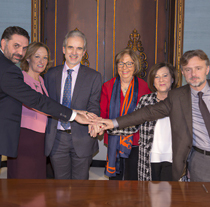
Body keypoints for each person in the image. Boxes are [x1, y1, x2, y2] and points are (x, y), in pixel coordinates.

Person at [98, 49, 210, 182]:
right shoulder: (178, 97)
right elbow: (145, 114)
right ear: (183, 72)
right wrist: (111, 123)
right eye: (188, 69)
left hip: (179, 157)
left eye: (198, 68)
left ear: (207, 69)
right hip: (198, 158)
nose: (193, 74)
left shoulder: (176, 95)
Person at [0, 26, 95, 167]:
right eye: (16, 46)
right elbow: (37, 100)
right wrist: (73, 115)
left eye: (24, 48)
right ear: (3, 43)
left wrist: (76, 112)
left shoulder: (42, 79)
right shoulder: (8, 70)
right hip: (24, 139)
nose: (20, 52)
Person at [44, 30, 102, 180]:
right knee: (60, 188)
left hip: (83, 138)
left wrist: (94, 122)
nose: (74, 52)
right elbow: (46, 104)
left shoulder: (94, 77)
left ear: (84, 52)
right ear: (64, 50)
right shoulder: (50, 74)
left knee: (80, 189)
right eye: (70, 47)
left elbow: (94, 106)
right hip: (57, 139)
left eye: (79, 48)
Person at [108, 62, 178, 181]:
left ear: (172, 79)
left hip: (174, 158)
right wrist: (108, 126)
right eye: (156, 76)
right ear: (153, 82)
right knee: (150, 196)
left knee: (171, 197)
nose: (161, 80)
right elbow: (133, 125)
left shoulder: (180, 100)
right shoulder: (146, 100)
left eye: (165, 75)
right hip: (150, 157)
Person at [100, 48, 150, 180]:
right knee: (115, 181)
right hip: (114, 140)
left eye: (129, 63)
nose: (124, 67)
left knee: (132, 178)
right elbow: (103, 112)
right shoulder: (108, 86)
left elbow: (147, 114)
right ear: (117, 66)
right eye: (121, 63)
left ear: (135, 66)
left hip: (135, 139)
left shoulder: (143, 86)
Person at [7, 42, 53, 178]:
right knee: (22, 179)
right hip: (23, 137)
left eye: (45, 57)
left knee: (37, 181)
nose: (42, 61)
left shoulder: (41, 80)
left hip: (39, 139)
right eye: (37, 56)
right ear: (28, 58)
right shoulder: (20, 78)